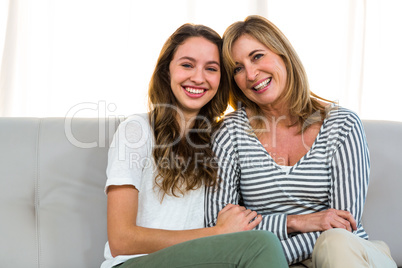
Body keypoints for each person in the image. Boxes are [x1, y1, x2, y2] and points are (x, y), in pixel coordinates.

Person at [206, 15, 397, 268]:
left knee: (335, 242)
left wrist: (267, 255)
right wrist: (295, 221)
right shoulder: (230, 133)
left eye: (257, 56)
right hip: (271, 260)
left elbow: (344, 226)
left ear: (283, 55)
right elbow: (218, 226)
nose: (251, 74)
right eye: (237, 68)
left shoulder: (342, 124)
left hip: (347, 256)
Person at [101, 23, 288, 268]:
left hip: (202, 261)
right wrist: (217, 233)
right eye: (187, 65)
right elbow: (121, 240)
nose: (198, 78)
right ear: (167, 71)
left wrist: (302, 221)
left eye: (211, 68)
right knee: (261, 244)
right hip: (135, 263)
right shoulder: (137, 130)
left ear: (222, 80)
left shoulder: (222, 139)